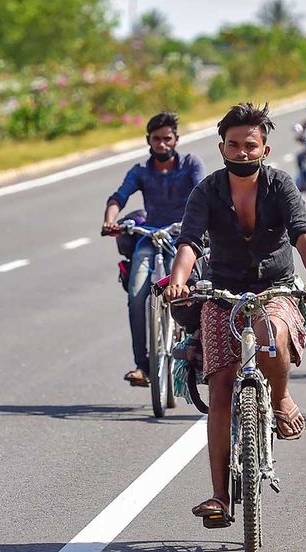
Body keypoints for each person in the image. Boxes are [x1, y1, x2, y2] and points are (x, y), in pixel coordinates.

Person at [163, 103, 306, 526]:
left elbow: (301, 233)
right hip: (221, 294)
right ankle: (219, 495)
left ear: (265, 148)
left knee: (270, 329)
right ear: (221, 147)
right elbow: (190, 241)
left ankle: (279, 396)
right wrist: (180, 280)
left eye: (250, 145)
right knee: (221, 389)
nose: (241, 152)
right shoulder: (207, 190)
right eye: (233, 145)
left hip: (274, 289)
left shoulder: (281, 186)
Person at [102, 112, 206, 387]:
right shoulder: (140, 171)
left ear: (176, 140)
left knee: (194, 291)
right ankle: (143, 367)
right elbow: (118, 197)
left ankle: (197, 349)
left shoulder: (190, 164)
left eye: (167, 139)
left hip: (183, 238)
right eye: (156, 139)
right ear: (148, 140)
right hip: (149, 237)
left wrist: (201, 223)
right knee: (137, 296)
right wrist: (110, 220)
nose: (162, 144)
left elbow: (203, 193)